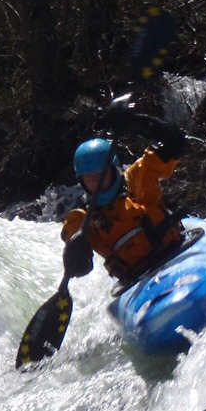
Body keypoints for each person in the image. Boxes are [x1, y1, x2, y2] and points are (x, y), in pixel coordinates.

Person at [60, 100, 187, 286]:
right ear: (82, 182)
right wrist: (76, 250)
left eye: (100, 175)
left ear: (115, 169)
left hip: (176, 252)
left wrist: (137, 122)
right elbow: (78, 258)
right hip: (136, 282)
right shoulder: (81, 219)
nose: (96, 183)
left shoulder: (138, 177)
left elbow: (178, 143)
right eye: (89, 178)